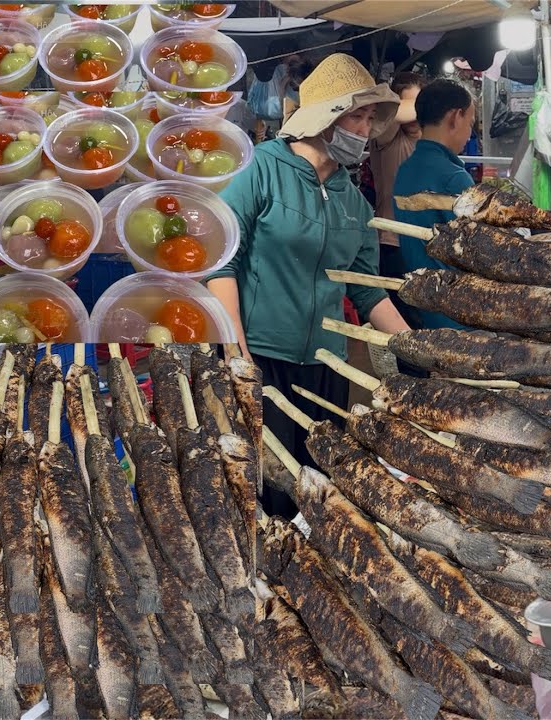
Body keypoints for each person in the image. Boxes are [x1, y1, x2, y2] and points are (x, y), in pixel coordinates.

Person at [205, 53, 412, 518]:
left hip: (328, 366)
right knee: (266, 490)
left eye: (368, 118)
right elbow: (222, 262)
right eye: (354, 116)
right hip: (263, 358)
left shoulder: (353, 201)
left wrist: (415, 348)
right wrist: (236, 352)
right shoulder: (260, 169)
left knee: (320, 488)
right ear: (326, 117)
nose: (363, 130)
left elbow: (367, 290)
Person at [392, 79, 477, 329]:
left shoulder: (405, 170)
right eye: (470, 122)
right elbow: (481, 250)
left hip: (421, 304)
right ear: (455, 117)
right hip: (459, 314)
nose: (469, 132)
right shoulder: (453, 177)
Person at [367, 72, 424, 324]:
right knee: (405, 318)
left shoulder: (426, 140)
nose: (416, 115)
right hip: (394, 243)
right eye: (411, 104)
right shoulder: (386, 135)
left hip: (424, 242)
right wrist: (431, 104)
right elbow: (394, 113)